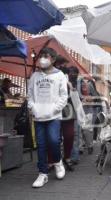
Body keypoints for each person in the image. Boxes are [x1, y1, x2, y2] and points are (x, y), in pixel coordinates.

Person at [28, 47, 68, 188]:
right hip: (39, 116)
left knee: (53, 140)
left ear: (53, 59)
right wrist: (33, 108)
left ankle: (57, 162)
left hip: (54, 116)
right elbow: (30, 96)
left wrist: (54, 109)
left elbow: (64, 96)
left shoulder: (60, 75)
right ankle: (42, 173)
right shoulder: (34, 76)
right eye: (41, 56)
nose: (42, 59)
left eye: (46, 56)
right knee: (41, 144)